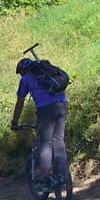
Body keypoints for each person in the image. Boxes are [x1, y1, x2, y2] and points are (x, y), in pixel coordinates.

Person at [11, 58, 69, 187]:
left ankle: (45, 178)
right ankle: (61, 175)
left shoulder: (26, 78)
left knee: (46, 143)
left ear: (22, 71)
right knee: (58, 139)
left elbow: (20, 102)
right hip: (63, 105)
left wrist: (15, 122)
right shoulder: (48, 71)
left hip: (46, 110)